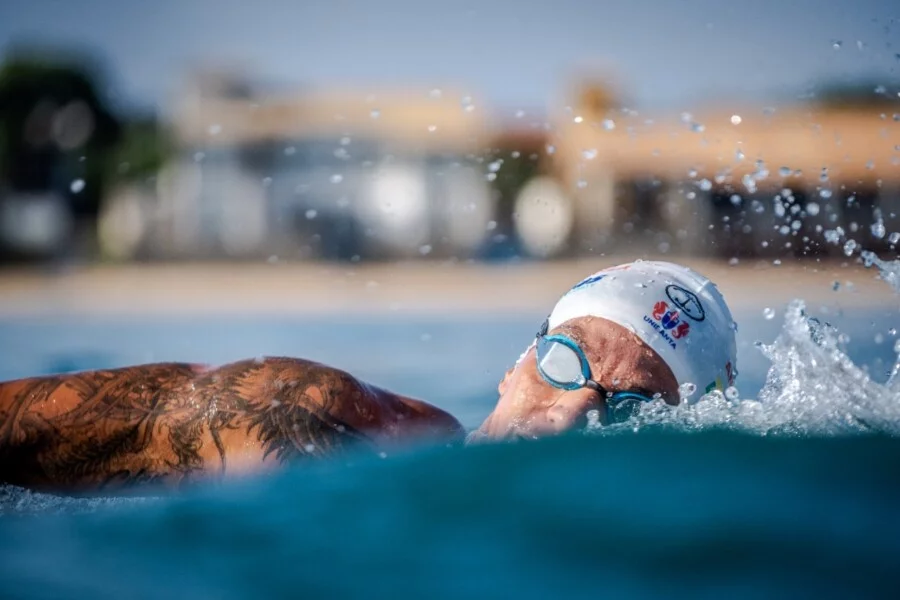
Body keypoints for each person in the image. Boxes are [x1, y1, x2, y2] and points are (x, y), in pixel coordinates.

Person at [0, 260, 737, 492]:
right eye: (563, 362)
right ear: (518, 363)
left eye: (630, 408)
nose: (573, 414)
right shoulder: (322, 422)